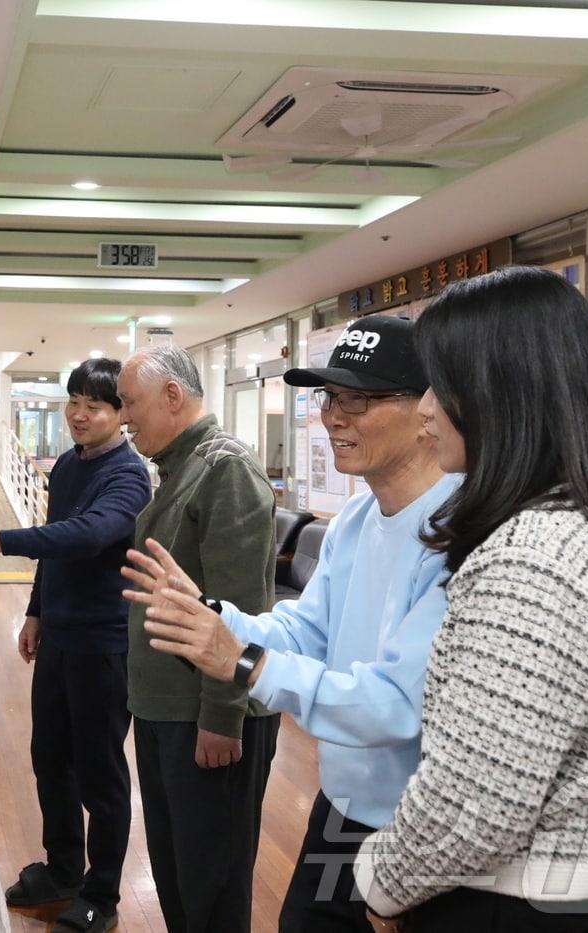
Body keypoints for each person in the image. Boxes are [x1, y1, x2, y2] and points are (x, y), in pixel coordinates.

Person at [347, 266, 588, 931]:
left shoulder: (538, 556)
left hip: (510, 908)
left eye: (439, 388)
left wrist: (379, 883)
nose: (424, 411)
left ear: (500, 393)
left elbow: (474, 804)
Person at [123, 315, 459, 932]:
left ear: (429, 408)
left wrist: (241, 664)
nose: (334, 416)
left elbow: (396, 706)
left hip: (421, 823)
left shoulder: (459, 533)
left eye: (359, 399)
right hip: (343, 804)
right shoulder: (356, 521)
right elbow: (306, 631)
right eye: (331, 397)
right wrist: (214, 618)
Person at [0, 358, 150, 933]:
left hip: (105, 645)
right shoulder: (66, 465)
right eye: (75, 402)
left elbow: (87, 537)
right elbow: (56, 550)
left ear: (120, 415)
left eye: (96, 406)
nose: (80, 415)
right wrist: (36, 611)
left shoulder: (127, 475)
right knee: (50, 759)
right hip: (60, 638)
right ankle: (63, 869)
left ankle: (103, 895)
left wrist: (1, 539)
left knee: (100, 773)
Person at [114, 345, 279, 933]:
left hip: (205, 714)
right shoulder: (181, 468)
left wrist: (223, 715)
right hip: (167, 708)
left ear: (173, 396)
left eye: (130, 403)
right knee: (179, 874)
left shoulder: (224, 468)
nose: (124, 417)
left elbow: (242, 611)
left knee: (211, 882)